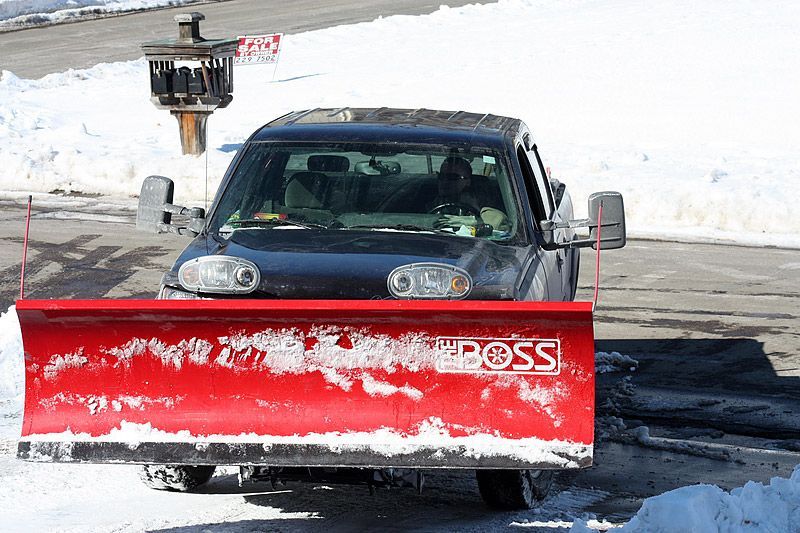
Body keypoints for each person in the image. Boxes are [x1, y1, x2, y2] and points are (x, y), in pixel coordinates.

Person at [429, 156, 510, 233]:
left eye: (452, 177)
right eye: (441, 176)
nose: (444, 181)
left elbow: (502, 225)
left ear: (468, 181)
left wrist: (476, 221)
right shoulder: (429, 200)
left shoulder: (481, 200)